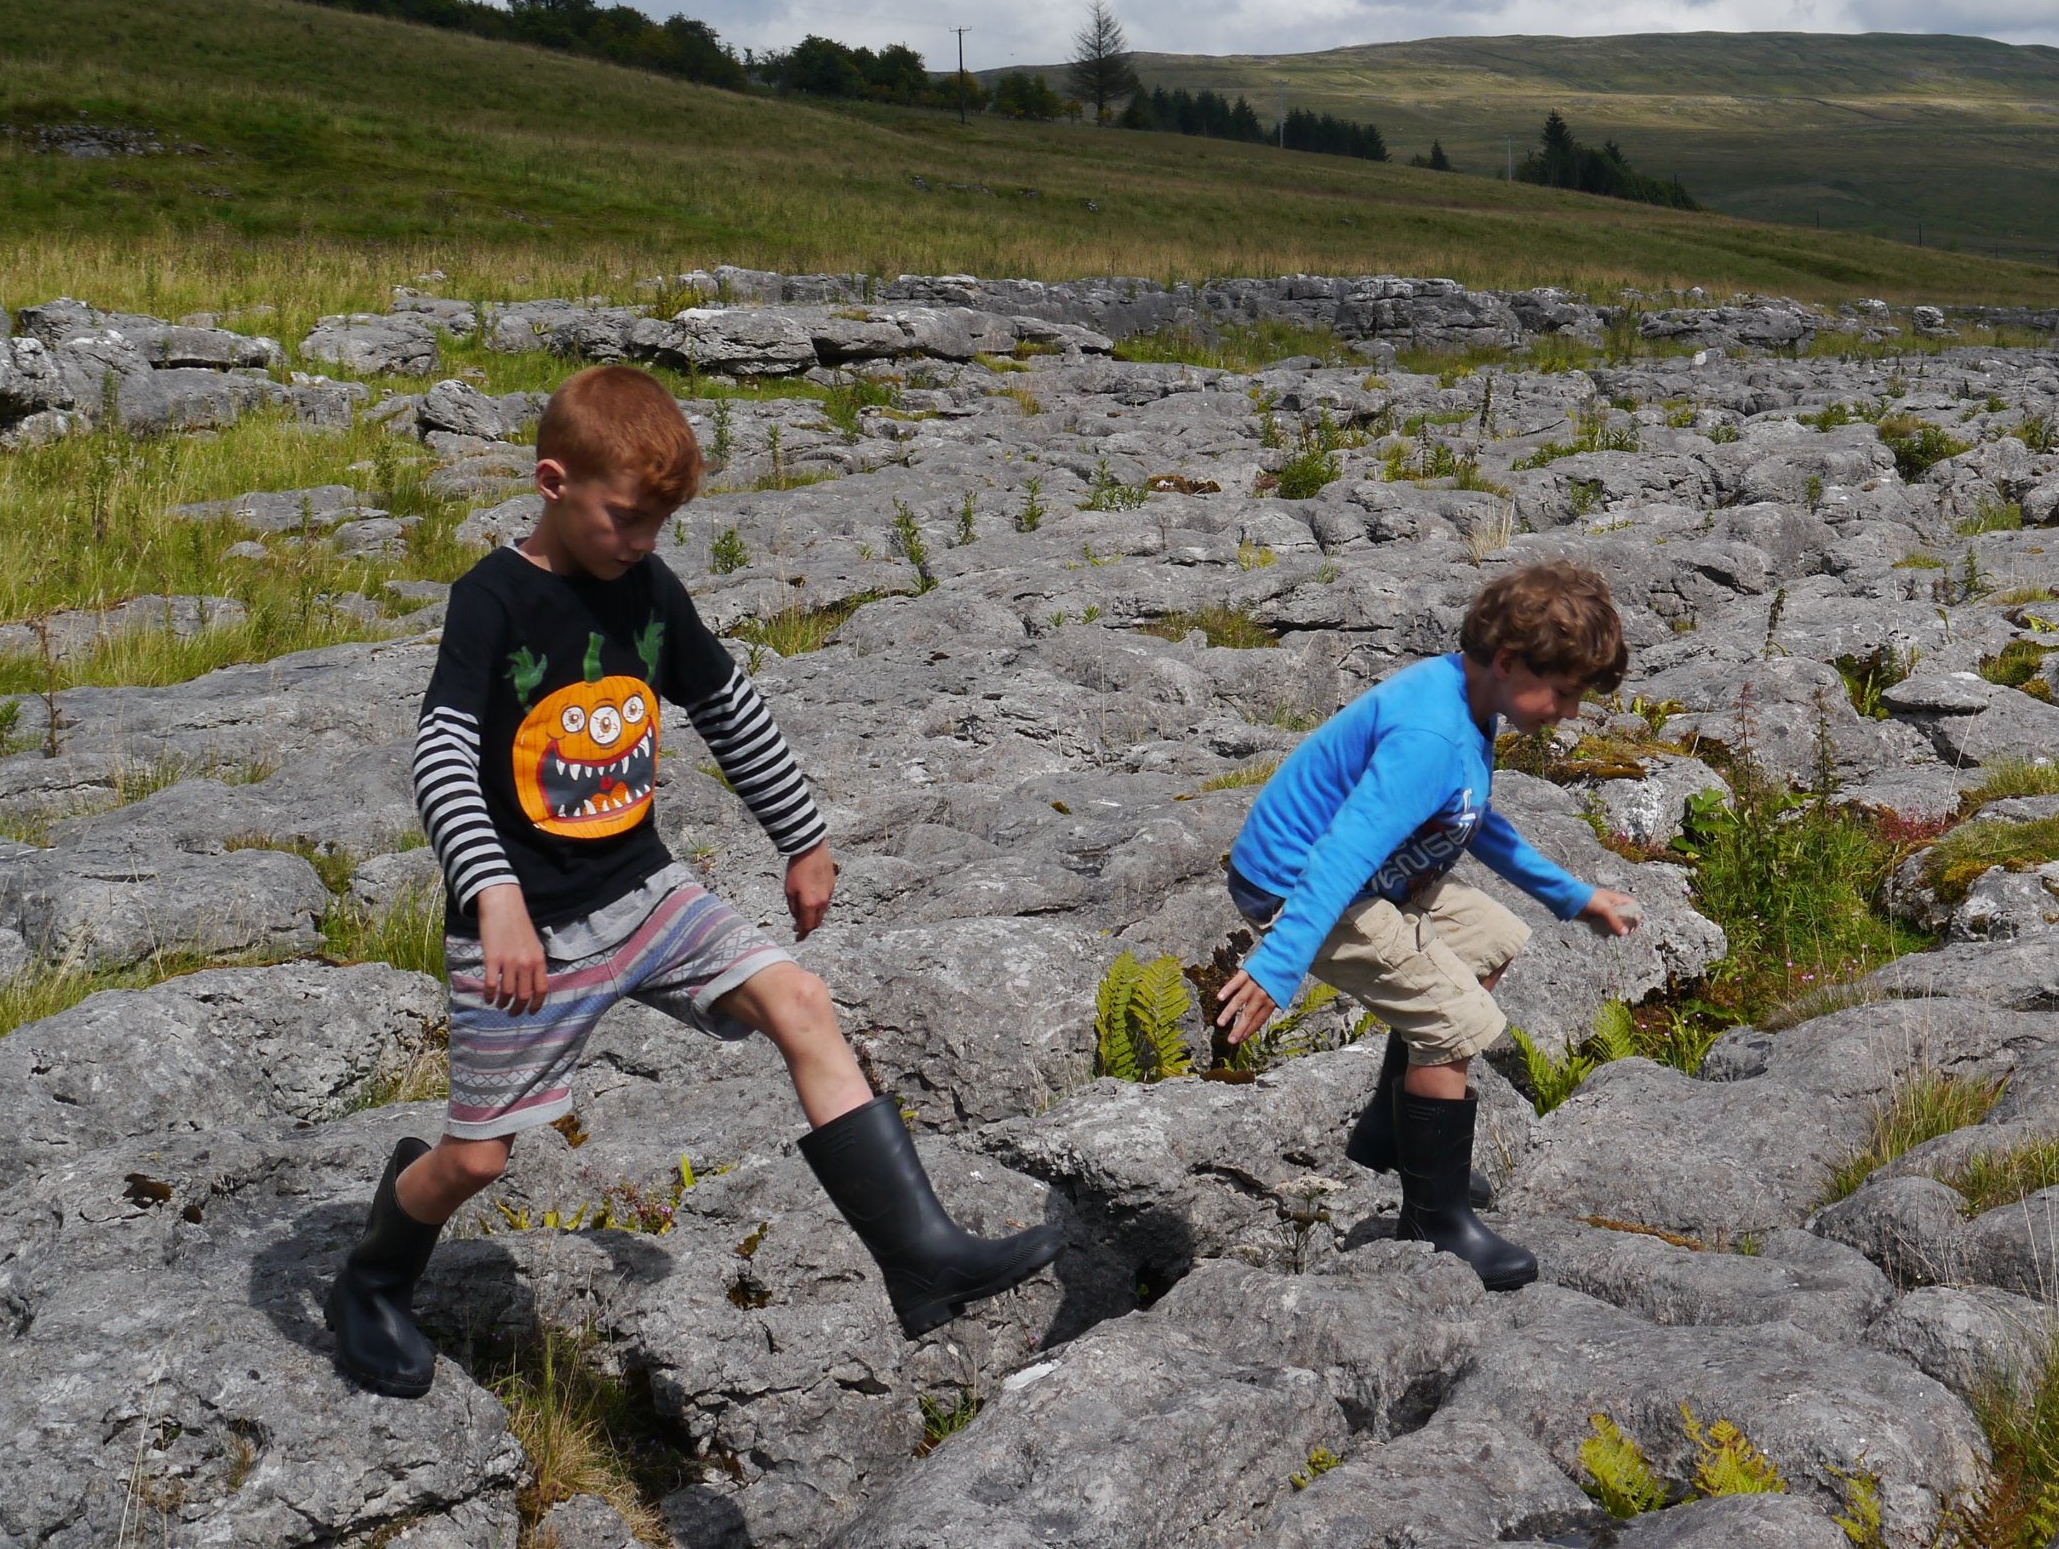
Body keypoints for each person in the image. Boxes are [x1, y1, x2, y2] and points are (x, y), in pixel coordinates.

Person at [327, 366, 1064, 1399]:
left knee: (803, 1003)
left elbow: (728, 706)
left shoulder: (650, 589)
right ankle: (368, 1278)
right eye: (623, 519)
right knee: (477, 1163)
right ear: (552, 481)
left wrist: (802, 839)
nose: (639, 543)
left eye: (659, 526)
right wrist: (491, 894)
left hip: (648, 890)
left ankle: (920, 1253)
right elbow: (442, 753)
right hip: (529, 930)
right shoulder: (492, 598)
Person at [1212, 561, 1644, 1290]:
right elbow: (1342, 851)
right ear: (1509, 662)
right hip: (1304, 888)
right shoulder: (1431, 734)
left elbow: (1474, 821)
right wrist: (1279, 965)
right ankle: (1434, 1219)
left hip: (1376, 875)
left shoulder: (1469, 699)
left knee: (1491, 941)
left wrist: (1574, 895)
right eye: (1564, 694)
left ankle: (1394, 1132)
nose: (1569, 715)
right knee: (1455, 1019)